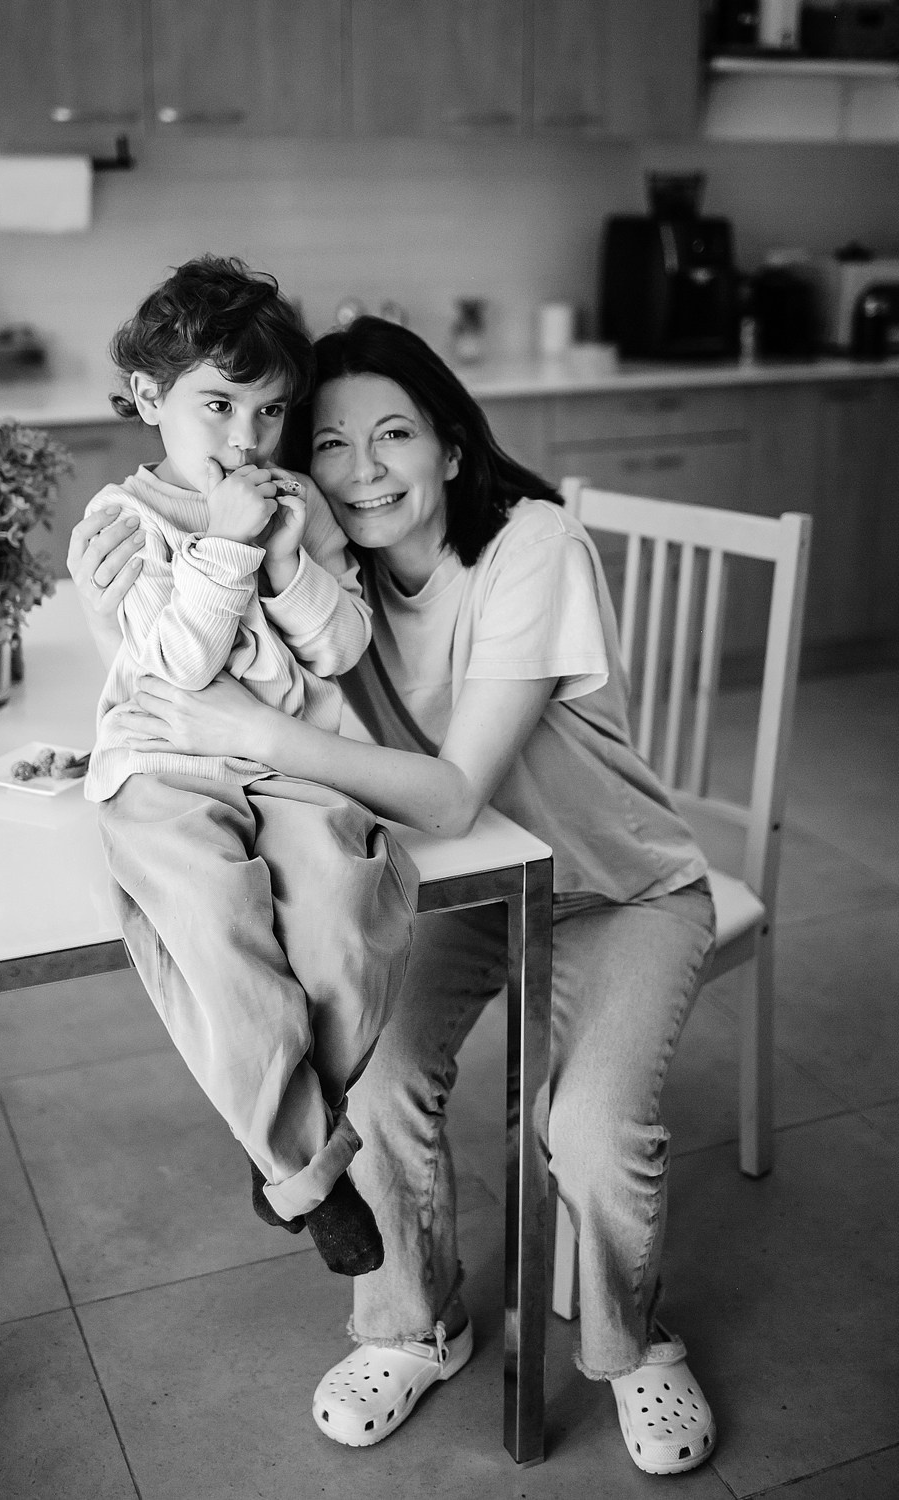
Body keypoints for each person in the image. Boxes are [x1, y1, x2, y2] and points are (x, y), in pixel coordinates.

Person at [69, 315, 718, 1477]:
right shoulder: (324, 572)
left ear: (452, 447)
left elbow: (455, 792)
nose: (361, 468)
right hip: (473, 899)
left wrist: (251, 729)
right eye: (326, 441)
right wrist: (115, 593)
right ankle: (411, 1323)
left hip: (619, 889)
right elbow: (179, 639)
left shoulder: (532, 547)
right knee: (370, 1069)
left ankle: (631, 1345)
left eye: (394, 435)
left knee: (591, 1129)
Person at [81, 262, 418, 1279]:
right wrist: (224, 552)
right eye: (216, 405)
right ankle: (305, 1173)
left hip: (283, 766)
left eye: (269, 411)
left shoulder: (299, 505)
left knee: (348, 911)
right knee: (218, 929)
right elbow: (177, 667)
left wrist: (284, 560)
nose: (244, 439)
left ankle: (290, 1105)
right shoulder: (121, 521)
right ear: (150, 397)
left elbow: (345, 644)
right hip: (163, 769)